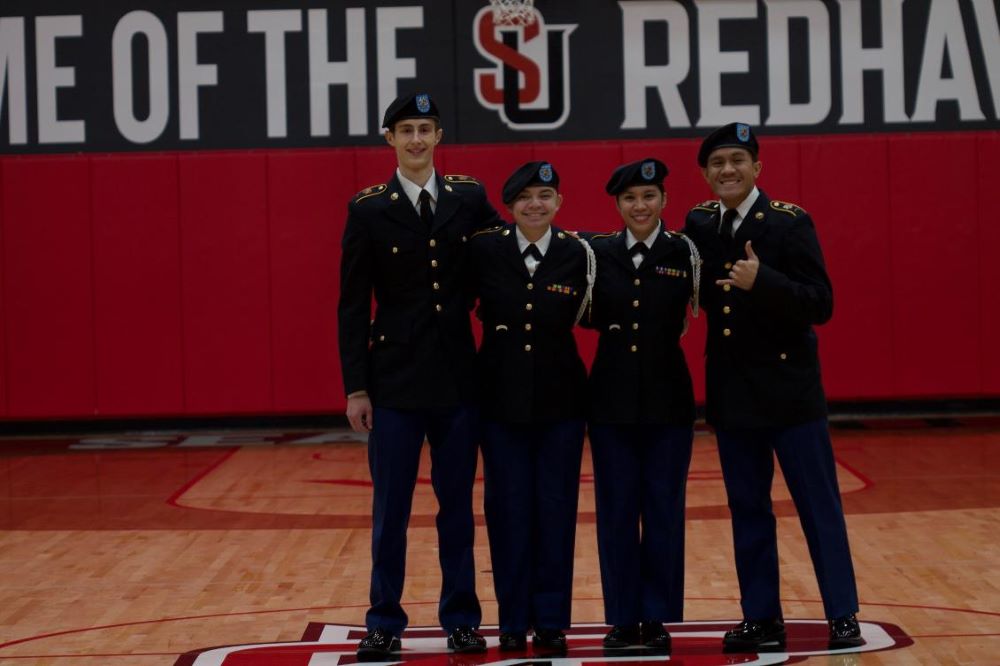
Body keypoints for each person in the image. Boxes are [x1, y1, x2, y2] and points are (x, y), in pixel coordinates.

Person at [682, 123, 863, 652]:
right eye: (717, 163)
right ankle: (762, 616)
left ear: (757, 168)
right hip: (735, 395)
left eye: (737, 160)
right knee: (748, 510)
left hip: (790, 395)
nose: (727, 170)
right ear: (706, 174)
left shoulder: (788, 222)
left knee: (817, 506)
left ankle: (842, 613)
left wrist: (765, 282)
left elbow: (820, 302)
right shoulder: (700, 223)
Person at [337, 92, 500, 660]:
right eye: (405, 129)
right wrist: (357, 386)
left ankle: (461, 617)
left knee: (458, 507)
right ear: (389, 138)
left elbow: (498, 266)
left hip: (458, 381)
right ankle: (383, 620)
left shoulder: (469, 197)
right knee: (392, 511)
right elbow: (353, 303)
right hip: (396, 385)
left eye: (425, 129)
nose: (415, 140)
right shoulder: (368, 209)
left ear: (438, 137)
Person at [466, 161, 592, 654]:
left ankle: (552, 620)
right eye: (524, 197)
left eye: (545, 195)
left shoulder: (580, 253)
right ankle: (513, 620)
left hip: (561, 404)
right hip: (499, 405)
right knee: (507, 511)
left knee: (556, 511)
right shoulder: (483, 251)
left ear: (559, 202)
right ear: (509, 207)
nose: (535, 204)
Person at [583, 158, 700, 653]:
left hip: (669, 403)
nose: (640, 206)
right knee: (615, 512)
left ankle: (656, 618)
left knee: (663, 512)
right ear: (617, 204)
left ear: (664, 201)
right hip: (610, 405)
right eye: (630, 198)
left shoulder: (686, 252)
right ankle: (622, 617)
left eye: (649, 196)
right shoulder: (595, 254)